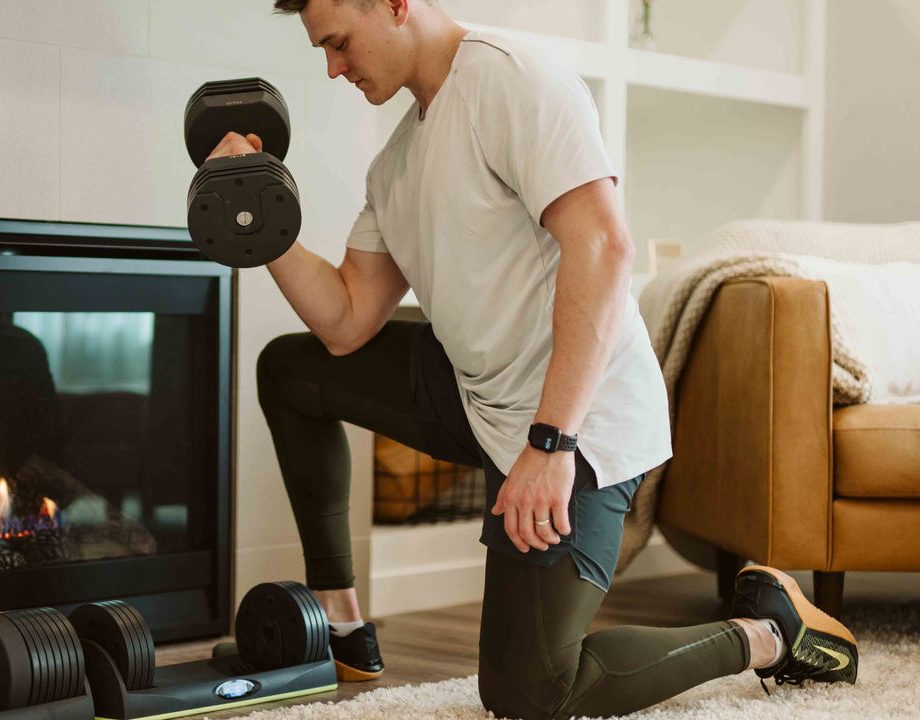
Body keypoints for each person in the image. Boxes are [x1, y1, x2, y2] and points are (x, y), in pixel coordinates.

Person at [207, 0, 861, 716]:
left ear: (395, 5)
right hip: (478, 393)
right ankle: (340, 627)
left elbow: (605, 246)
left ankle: (766, 628)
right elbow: (344, 322)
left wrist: (552, 443)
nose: (332, 68)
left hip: (580, 420)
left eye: (338, 43)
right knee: (293, 370)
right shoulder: (394, 165)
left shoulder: (512, 82)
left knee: (531, 692)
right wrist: (256, 211)